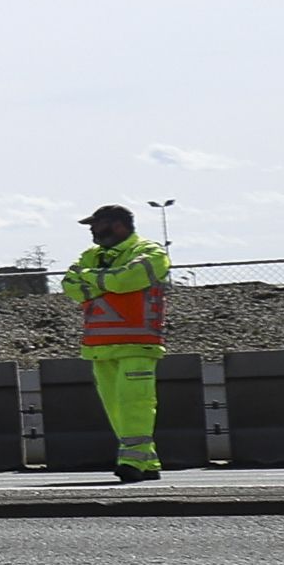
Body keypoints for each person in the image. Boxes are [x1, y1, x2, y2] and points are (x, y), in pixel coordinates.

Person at [63, 204, 171, 482]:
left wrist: (94, 280)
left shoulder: (151, 252)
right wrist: (108, 281)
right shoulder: (92, 255)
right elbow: (70, 285)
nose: (91, 231)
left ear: (118, 225)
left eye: (96, 225)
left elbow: (128, 280)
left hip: (138, 344)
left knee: (135, 403)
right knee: (116, 407)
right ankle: (148, 463)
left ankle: (131, 463)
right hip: (99, 347)